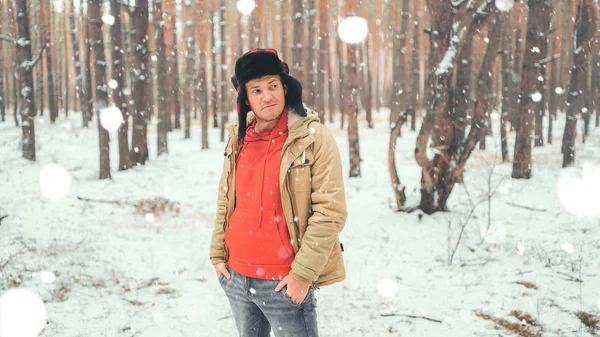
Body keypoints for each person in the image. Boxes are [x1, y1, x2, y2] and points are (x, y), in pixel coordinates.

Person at [209, 48, 347, 337]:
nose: (267, 96)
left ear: (285, 87)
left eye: (272, 86)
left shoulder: (312, 137)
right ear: (246, 98)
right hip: (236, 277)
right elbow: (226, 199)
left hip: (284, 282)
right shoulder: (239, 139)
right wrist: (217, 254)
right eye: (256, 90)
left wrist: (301, 275)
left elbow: (330, 211)